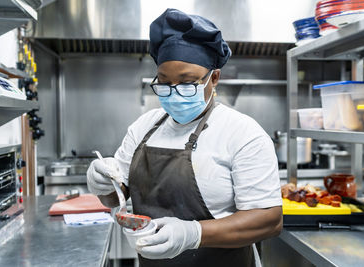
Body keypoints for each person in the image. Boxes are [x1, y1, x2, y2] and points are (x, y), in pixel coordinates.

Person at [87, 8, 282, 267]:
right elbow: (116, 198)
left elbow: (269, 220)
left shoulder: (242, 133)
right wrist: (102, 184)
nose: (174, 92)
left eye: (187, 82)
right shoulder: (144, 127)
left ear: (214, 78)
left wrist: (193, 234)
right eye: (164, 83)